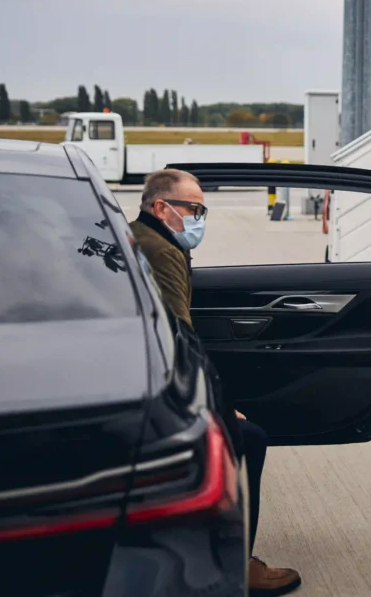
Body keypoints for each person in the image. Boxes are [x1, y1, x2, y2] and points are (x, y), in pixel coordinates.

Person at [129, 169, 302, 596]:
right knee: (249, 439)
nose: (200, 217)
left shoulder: (139, 236)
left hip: (136, 377)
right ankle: (235, 566)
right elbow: (179, 338)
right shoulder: (162, 252)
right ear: (161, 208)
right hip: (151, 392)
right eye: (193, 208)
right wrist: (216, 407)